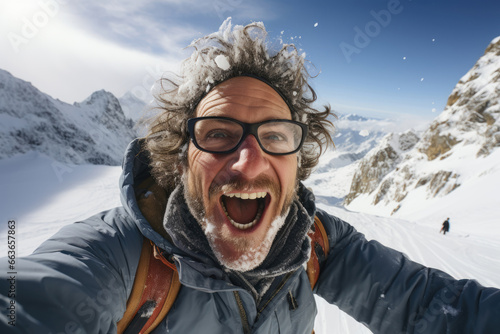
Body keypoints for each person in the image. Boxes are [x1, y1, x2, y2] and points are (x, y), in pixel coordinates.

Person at [1, 19, 499, 334]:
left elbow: (430, 306)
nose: (247, 162)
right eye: (218, 135)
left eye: (276, 137)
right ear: (179, 158)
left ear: (297, 164)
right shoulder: (116, 261)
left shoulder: (316, 243)